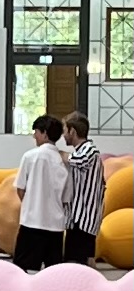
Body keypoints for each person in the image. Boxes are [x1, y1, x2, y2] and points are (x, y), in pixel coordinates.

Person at [13, 115, 69, 272]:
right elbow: (66, 197)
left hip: (32, 222)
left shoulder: (30, 156)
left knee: (22, 271)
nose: (34, 136)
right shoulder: (63, 161)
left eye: (36, 132)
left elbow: (20, 188)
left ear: (44, 133)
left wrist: (31, 205)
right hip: (56, 226)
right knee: (53, 274)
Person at [62, 111, 105, 266]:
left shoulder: (89, 150)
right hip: (78, 219)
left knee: (77, 264)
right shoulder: (81, 150)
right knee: (79, 261)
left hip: (84, 219)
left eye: (65, 131)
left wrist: (50, 150)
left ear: (72, 131)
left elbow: (77, 160)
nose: (63, 135)